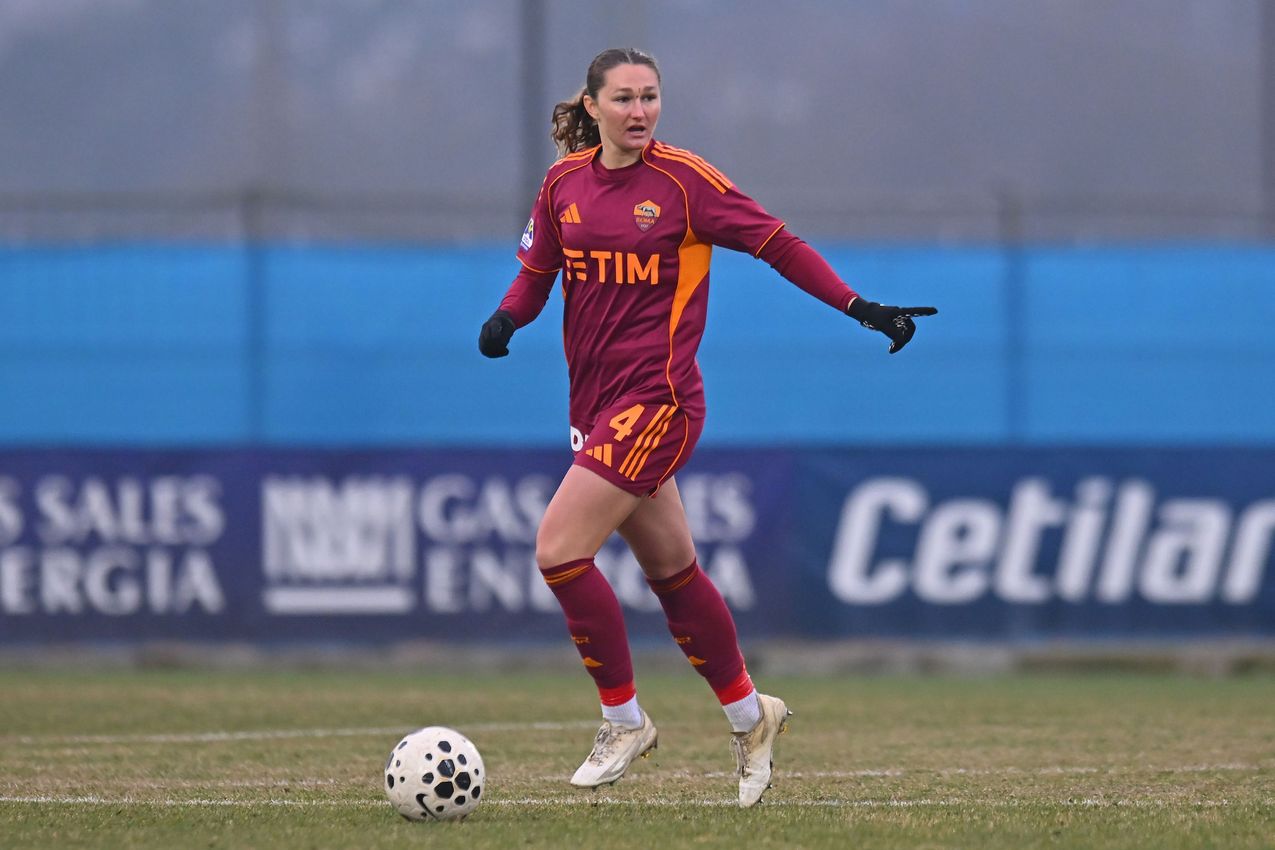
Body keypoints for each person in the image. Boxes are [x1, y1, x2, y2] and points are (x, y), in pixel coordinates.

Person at [478, 47, 935, 807]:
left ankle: (623, 720)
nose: (638, 111)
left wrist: (861, 307)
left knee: (559, 552)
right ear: (591, 106)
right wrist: (506, 319)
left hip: (659, 403)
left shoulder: (684, 183)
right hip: (593, 410)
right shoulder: (563, 184)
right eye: (623, 98)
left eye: (649, 97)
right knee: (672, 573)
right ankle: (751, 715)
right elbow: (535, 275)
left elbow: (777, 244)